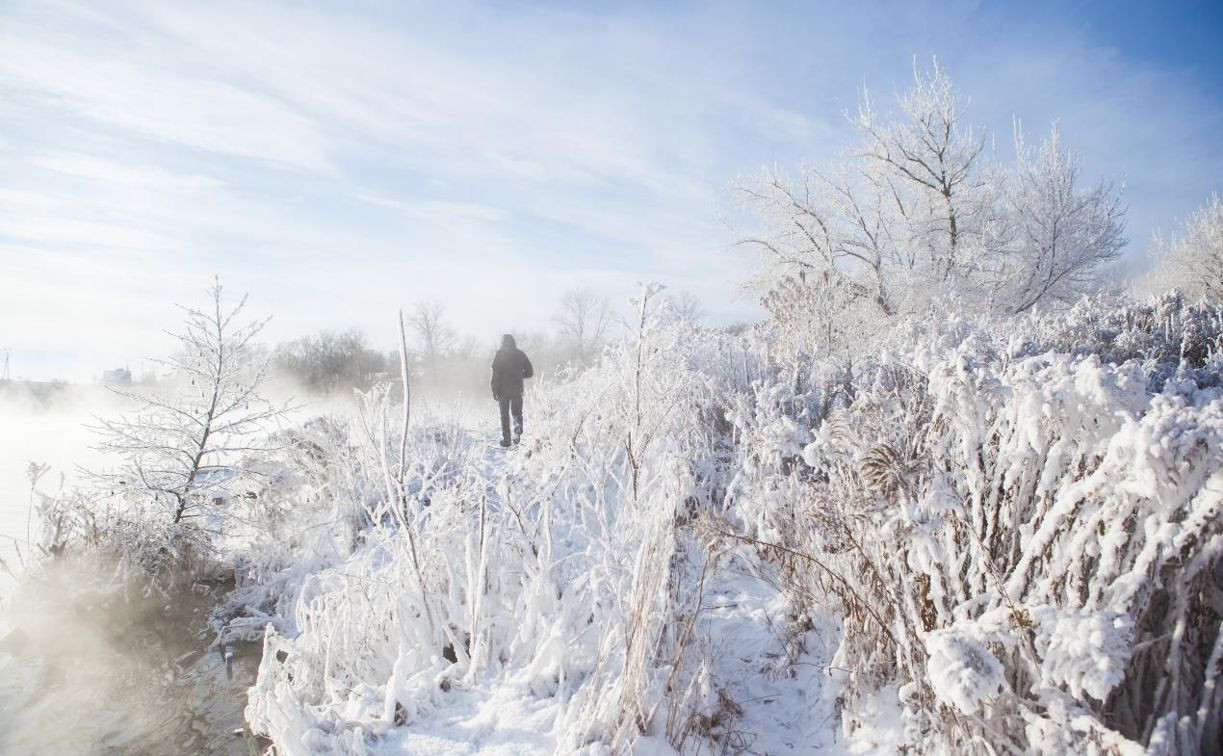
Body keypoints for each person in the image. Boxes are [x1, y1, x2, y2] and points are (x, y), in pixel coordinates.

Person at [490, 334, 533, 447]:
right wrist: (519, 375)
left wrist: (494, 390)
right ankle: (517, 428)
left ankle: (507, 440)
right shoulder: (520, 354)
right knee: (517, 412)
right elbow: (530, 372)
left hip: (502, 390)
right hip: (517, 389)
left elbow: (495, 374)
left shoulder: (499, 354)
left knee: (504, 414)